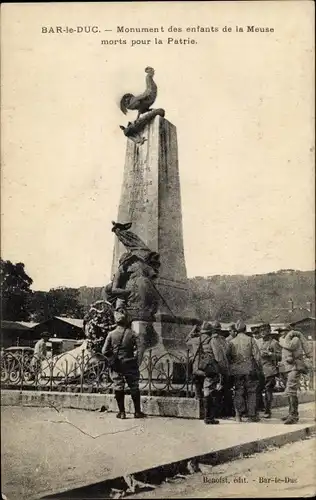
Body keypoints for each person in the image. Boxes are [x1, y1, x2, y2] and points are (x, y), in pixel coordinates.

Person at [102, 303, 145, 419]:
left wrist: (113, 358)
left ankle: (122, 412)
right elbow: (141, 348)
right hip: (130, 363)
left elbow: (104, 351)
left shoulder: (111, 334)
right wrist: (138, 361)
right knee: (134, 386)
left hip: (117, 365)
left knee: (118, 386)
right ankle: (137, 412)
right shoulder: (132, 334)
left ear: (116, 321)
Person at [227, 319, 262, 422]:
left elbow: (227, 356)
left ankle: (238, 415)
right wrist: (259, 368)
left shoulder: (231, 342)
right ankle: (252, 415)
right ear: (245, 329)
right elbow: (257, 357)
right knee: (251, 392)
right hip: (249, 369)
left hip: (236, 370)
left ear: (236, 330)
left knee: (238, 392)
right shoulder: (250, 340)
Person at [198, 321, 230, 425]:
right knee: (211, 391)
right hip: (213, 368)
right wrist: (222, 370)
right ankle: (209, 417)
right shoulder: (214, 340)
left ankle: (208, 417)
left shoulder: (203, 339)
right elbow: (218, 357)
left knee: (207, 390)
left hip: (207, 367)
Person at [278, 324, 310, 424]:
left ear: (289, 331)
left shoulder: (294, 339)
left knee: (291, 391)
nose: (281, 333)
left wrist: (281, 340)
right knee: (289, 391)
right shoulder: (286, 339)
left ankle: (294, 416)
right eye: (280, 332)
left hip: (295, 367)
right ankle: (291, 413)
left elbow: (290, 346)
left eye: (283, 331)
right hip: (288, 367)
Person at [257, 324, 281, 418]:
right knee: (257, 390)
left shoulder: (274, 343)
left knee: (268, 390)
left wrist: (270, 354)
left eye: (265, 330)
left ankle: (267, 410)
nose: (263, 332)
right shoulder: (258, 342)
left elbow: (280, 356)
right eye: (261, 330)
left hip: (269, 370)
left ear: (269, 331)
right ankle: (258, 409)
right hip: (259, 370)